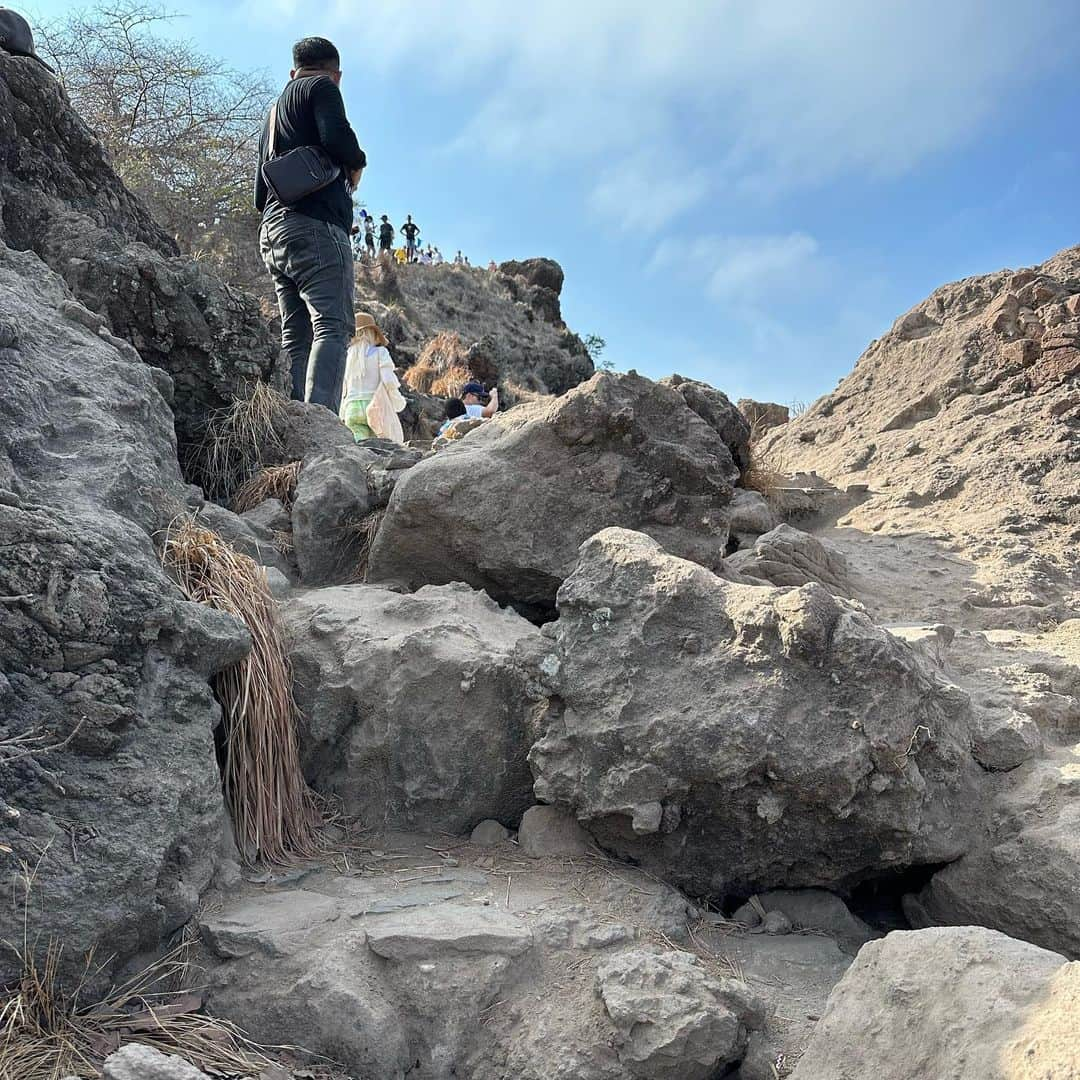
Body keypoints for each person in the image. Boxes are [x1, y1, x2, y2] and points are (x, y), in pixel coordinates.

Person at [255, 36, 365, 410]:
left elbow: (260, 191)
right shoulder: (321, 86)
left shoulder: (271, 116)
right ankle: (321, 424)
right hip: (315, 226)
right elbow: (337, 138)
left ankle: (292, 420)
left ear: (293, 71)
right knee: (333, 326)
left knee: (296, 335)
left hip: (273, 232)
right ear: (337, 75)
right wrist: (358, 162)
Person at [339, 312, 406, 442]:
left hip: (351, 408)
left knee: (359, 448)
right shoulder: (380, 352)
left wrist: (342, 411)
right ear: (373, 332)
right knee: (380, 447)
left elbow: (343, 387)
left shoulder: (347, 355)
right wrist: (397, 401)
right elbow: (389, 381)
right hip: (375, 406)